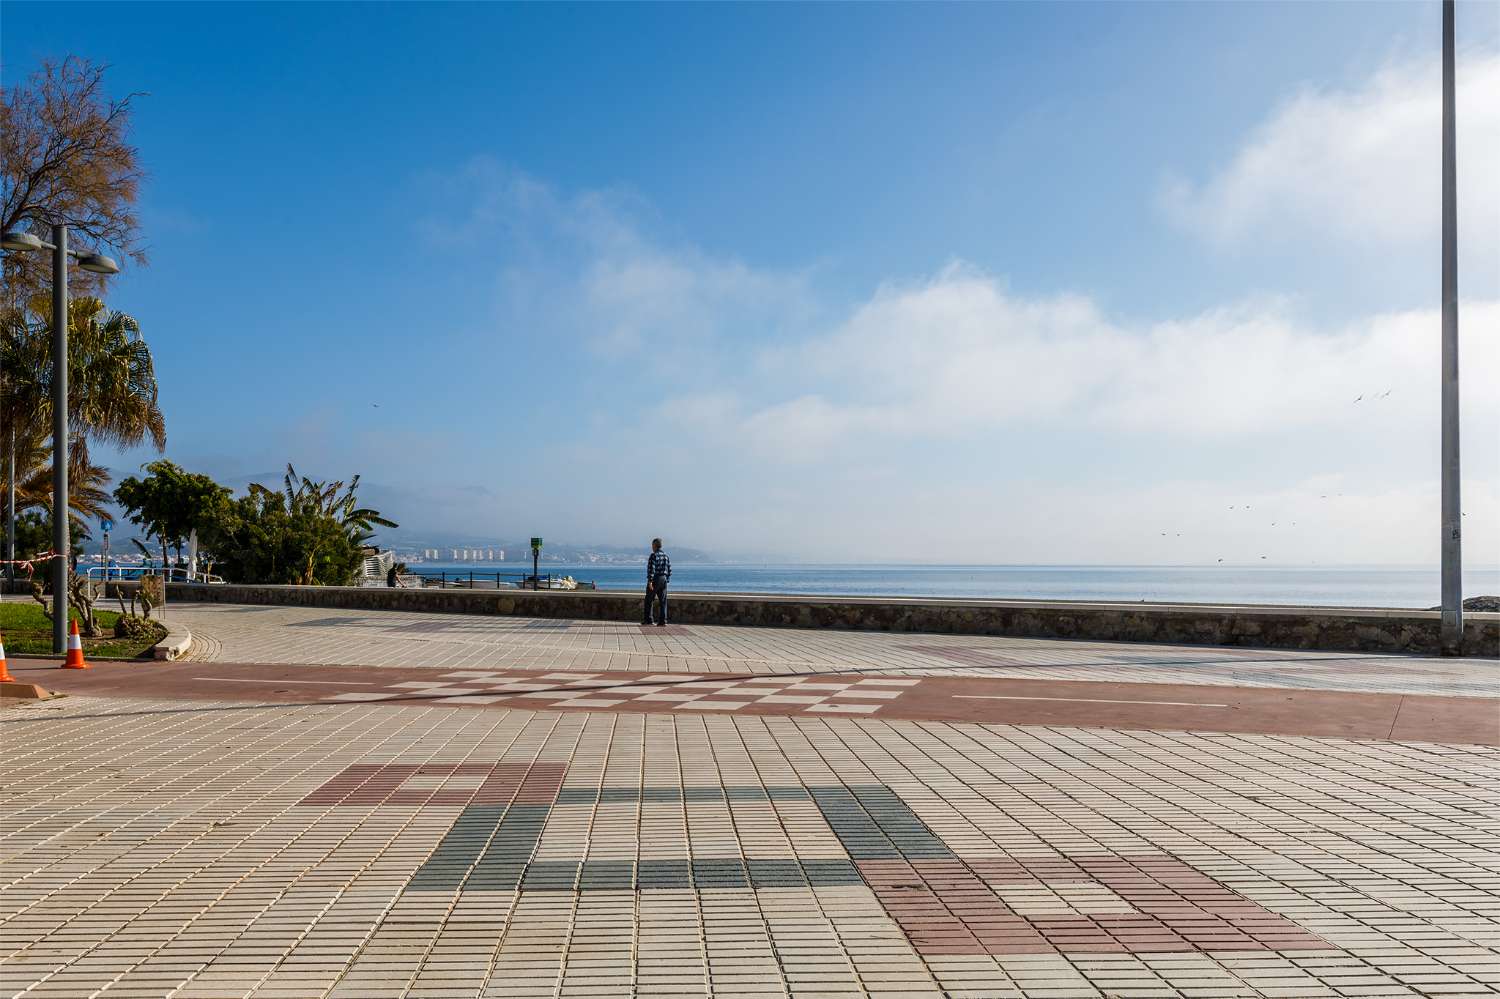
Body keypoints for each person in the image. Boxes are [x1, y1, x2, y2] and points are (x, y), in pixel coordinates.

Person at [642, 538, 671, 626]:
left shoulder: (653, 555)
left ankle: (649, 620)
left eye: (652, 545)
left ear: (655, 545)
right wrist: (667, 580)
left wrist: (650, 581)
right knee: (663, 601)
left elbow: (652, 569)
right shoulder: (666, 556)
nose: (652, 547)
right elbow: (669, 569)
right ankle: (663, 621)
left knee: (649, 600)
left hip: (655, 579)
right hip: (664, 579)